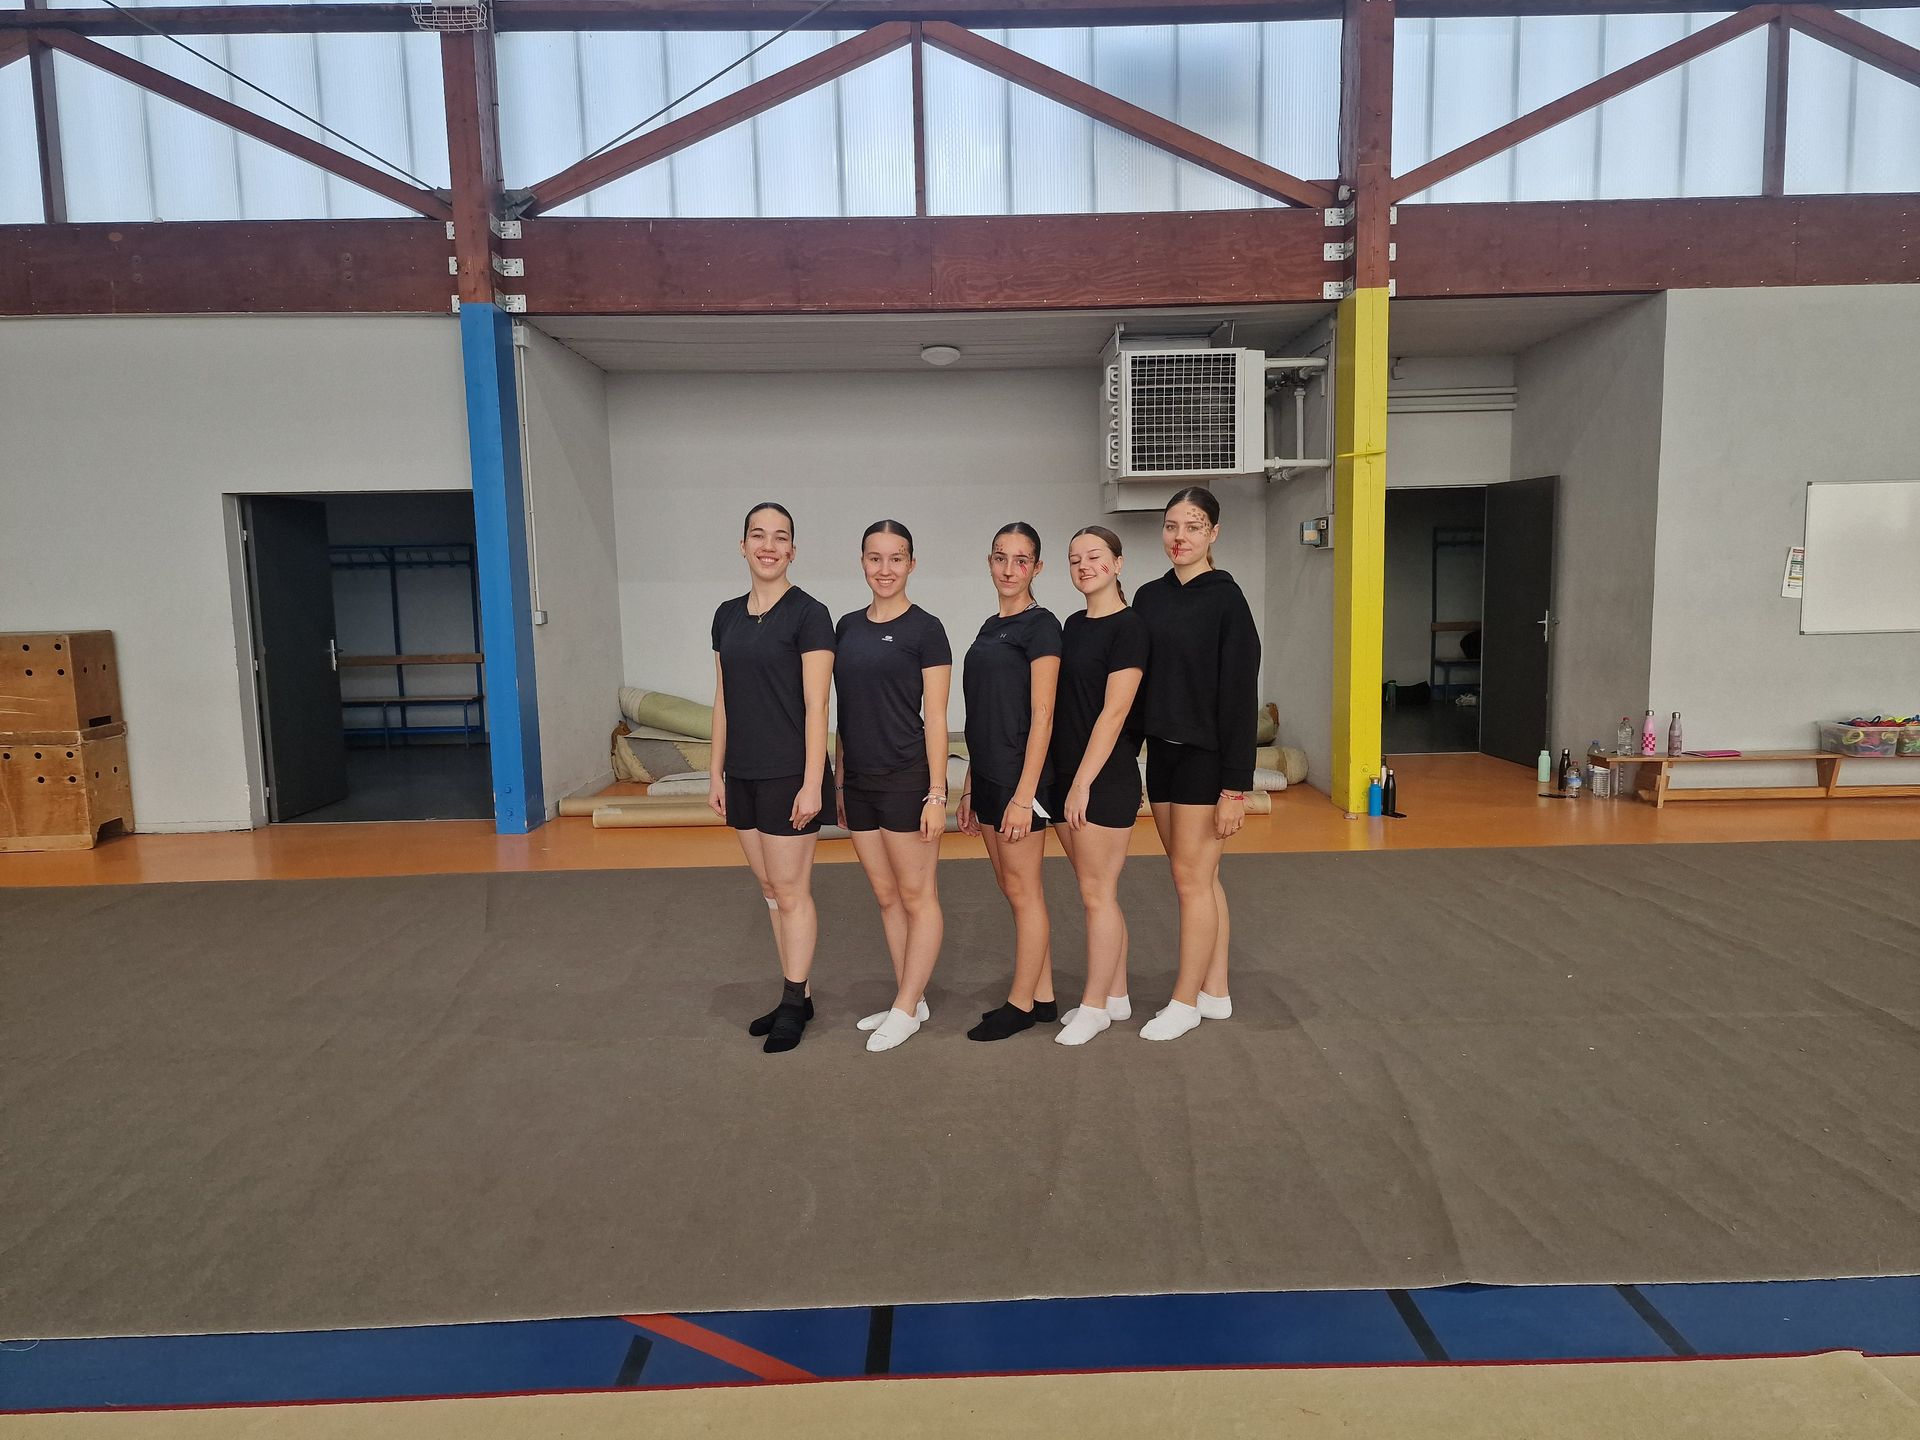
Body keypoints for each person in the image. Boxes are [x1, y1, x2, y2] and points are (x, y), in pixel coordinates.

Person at [1130, 487, 1260, 1042]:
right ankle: (1216, 991)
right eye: (1171, 526)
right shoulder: (1149, 597)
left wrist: (1235, 788)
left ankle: (1183, 1001)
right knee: (1199, 878)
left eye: (1192, 526)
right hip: (1161, 755)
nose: (1179, 537)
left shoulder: (1227, 601)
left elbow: (1240, 698)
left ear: (1213, 534)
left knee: (1191, 880)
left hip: (1207, 760)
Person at [708, 502, 835, 1054]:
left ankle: (792, 1003)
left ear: (793, 551)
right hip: (743, 773)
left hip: (789, 773)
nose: (768, 545)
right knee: (768, 890)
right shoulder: (726, 616)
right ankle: (798, 994)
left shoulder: (810, 615)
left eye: (780, 537)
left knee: (790, 890)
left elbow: (818, 706)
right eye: (758, 535)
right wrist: (715, 772)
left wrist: (812, 782)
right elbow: (722, 698)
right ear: (743, 546)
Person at [833, 520, 952, 1054]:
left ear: (911, 564)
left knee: (917, 896)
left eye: (896, 558)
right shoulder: (845, 628)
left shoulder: (927, 629)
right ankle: (912, 995)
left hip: (907, 779)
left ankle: (905, 1008)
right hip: (859, 782)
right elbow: (843, 713)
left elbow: (937, 716)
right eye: (875, 558)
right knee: (886, 897)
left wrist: (937, 792)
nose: (885, 569)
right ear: (862, 562)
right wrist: (840, 782)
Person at [957, 522, 1062, 1042]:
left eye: (1021, 560)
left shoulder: (1042, 627)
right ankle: (1043, 996)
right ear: (990, 561)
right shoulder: (988, 626)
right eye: (1000, 557)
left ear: (1036, 568)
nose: (1009, 569)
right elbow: (983, 712)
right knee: (1010, 887)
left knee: (1024, 891)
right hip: (989, 776)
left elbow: (1043, 714)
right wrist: (971, 784)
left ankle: (1019, 1004)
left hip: (1022, 780)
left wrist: (1025, 796)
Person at [1049, 526, 1147, 1048]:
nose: (1084, 565)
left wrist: (1083, 783)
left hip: (1103, 778)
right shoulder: (1072, 624)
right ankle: (1116, 995)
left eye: (1094, 556)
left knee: (1097, 894)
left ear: (1118, 563)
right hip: (1068, 774)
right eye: (1074, 559)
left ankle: (1093, 1007)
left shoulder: (1129, 627)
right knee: (1097, 891)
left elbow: (1113, 713)